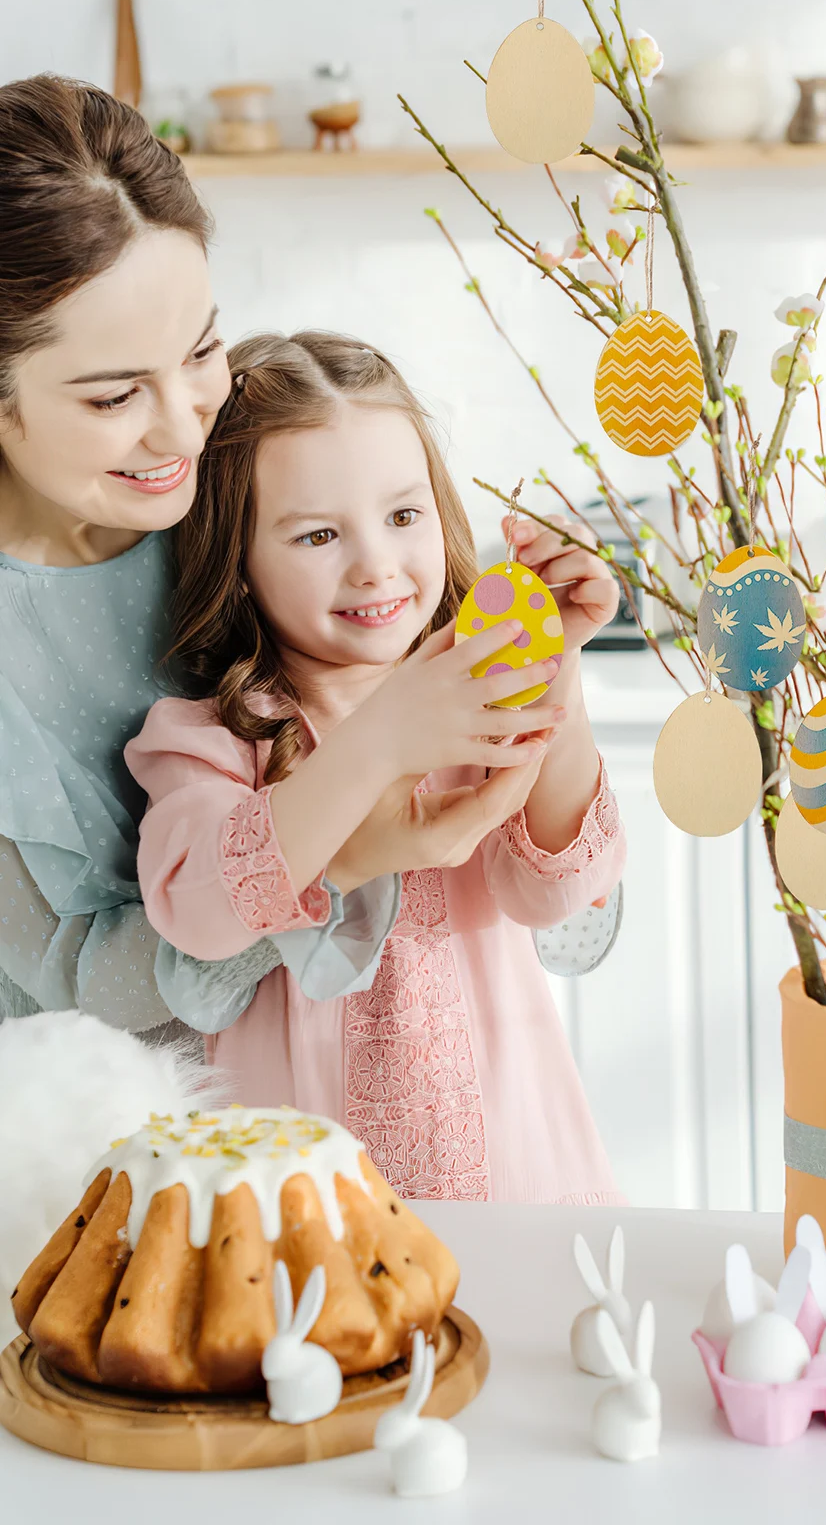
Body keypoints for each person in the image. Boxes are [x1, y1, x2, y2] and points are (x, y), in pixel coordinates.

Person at [0, 74, 531, 1041]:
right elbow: (91, 989)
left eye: (201, 352)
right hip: (87, 1136)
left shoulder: (229, 491)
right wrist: (339, 856)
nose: (181, 431)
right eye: (115, 397)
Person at [128, 330, 623, 1204]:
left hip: (516, 1178)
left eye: (404, 515)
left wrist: (557, 672)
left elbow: (556, 889)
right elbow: (199, 914)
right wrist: (381, 743)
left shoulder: (480, 696)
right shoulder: (209, 739)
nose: (377, 565)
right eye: (318, 533)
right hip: (302, 1219)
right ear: (238, 566)